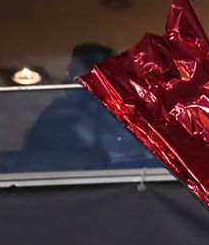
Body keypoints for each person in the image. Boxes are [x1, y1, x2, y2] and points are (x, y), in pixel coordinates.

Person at [22, 43, 151, 167]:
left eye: (74, 73)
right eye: (70, 74)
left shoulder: (126, 111)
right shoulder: (59, 112)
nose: (64, 81)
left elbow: (134, 155)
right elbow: (35, 153)